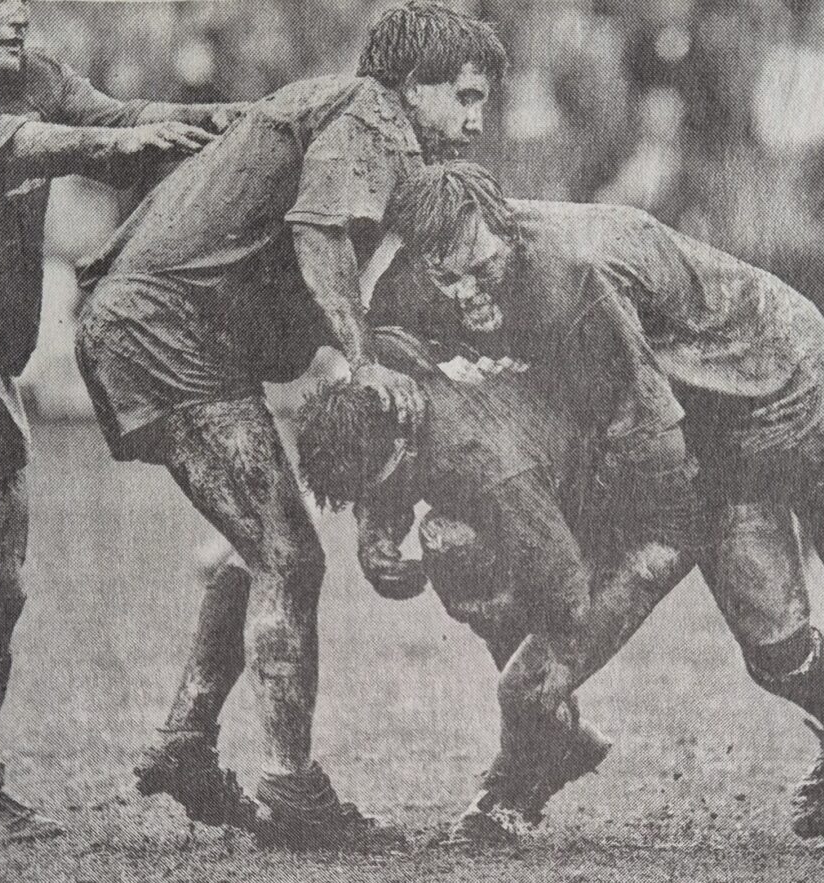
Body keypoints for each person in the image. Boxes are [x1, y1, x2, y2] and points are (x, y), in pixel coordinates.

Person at [374, 161, 824, 846]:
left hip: (783, 384)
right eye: (447, 278)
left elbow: (651, 441)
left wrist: (624, 565)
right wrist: (380, 520)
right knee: (775, 647)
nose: (467, 294)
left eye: (482, 270)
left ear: (504, 232)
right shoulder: (409, 290)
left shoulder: (571, 275)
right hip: (694, 428)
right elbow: (386, 392)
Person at [74, 2, 506, 845]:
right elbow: (317, 237)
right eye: (462, 95)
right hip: (167, 332)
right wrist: (360, 358)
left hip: (165, 327)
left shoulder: (361, 121)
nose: (475, 118)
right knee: (289, 553)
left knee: (255, 543)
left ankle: (188, 740)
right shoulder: (371, 118)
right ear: (410, 88)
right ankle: (291, 788)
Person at [0, 0, 241, 842]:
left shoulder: (23, 74)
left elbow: (123, 116)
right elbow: (16, 145)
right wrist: (113, 147)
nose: (18, 13)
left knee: (2, 592)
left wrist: (238, 122)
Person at [292, 325, 695, 843]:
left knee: (522, 687)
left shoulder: (482, 461)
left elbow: (565, 595)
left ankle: (514, 792)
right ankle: (560, 736)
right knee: (452, 542)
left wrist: (491, 610)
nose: (376, 502)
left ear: (402, 447)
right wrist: (374, 536)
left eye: (379, 490)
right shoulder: (391, 386)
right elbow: (384, 475)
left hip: (651, 518)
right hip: (574, 497)